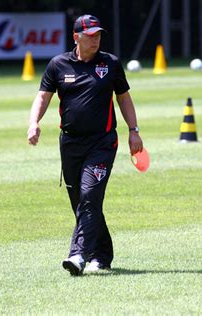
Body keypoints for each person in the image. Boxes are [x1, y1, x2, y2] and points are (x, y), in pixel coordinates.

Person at [27, 14, 143, 276]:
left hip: (102, 143)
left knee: (90, 196)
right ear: (76, 37)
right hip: (69, 144)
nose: (96, 39)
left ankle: (78, 255)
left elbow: (124, 98)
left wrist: (133, 131)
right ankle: (101, 255)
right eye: (90, 35)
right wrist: (34, 122)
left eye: (98, 34)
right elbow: (42, 97)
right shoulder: (58, 65)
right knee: (80, 201)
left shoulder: (110, 63)